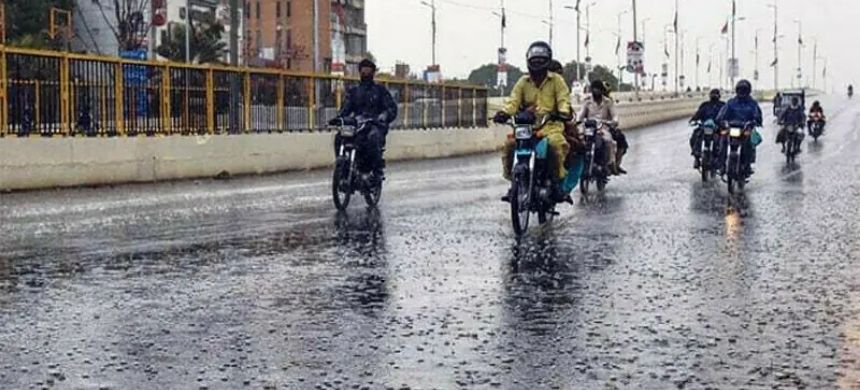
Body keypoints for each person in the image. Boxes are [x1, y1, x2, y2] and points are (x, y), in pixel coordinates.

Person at [495, 41, 572, 202]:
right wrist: (504, 113)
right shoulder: (523, 82)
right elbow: (513, 102)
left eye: (540, 61)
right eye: (534, 61)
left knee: (556, 145)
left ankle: (557, 184)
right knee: (509, 146)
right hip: (526, 127)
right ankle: (513, 185)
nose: (536, 65)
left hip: (550, 126)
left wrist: (563, 112)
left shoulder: (557, 81)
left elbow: (564, 100)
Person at [329, 59, 398, 182]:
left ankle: (376, 171)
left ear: (373, 72)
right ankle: (342, 168)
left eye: (368, 69)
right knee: (339, 137)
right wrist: (339, 118)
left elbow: (391, 108)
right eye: (363, 69)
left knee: (373, 138)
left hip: (375, 124)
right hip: (357, 124)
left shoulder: (380, 90)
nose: (365, 72)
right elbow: (346, 107)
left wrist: (384, 116)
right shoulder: (354, 91)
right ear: (359, 71)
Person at [715, 79, 763, 177]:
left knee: (749, 143)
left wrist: (755, 121)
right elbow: (722, 113)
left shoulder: (752, 103)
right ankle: (721, 165)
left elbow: (757, 114)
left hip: (745, 128)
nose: (742, 92)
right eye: (740, 90)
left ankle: (747, 165)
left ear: (748, 91)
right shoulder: (731, 102)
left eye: (744, 90)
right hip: (731, 127)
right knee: (722, 140)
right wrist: (720, 120)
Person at [578, 80, 624, 174]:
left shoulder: (608, 102)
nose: (596, 91)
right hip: (589, 128)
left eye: (598, 90)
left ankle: (609, 163)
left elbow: (614, 114)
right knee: (580, 141)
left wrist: (614, 121)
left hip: (603, 128)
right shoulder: (587, 102)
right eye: (594, 89)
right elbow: (581, 114)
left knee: (608, 141)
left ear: (602, 91)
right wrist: (579, 120)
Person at [689, 89, 725, 169]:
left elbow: (726, 115)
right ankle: (697, 157)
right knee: (695, 137)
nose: (714, 96)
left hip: (718, 128)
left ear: (719, 96)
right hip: (704, 128)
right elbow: (698, 114)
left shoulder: (722, 105)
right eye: (712, 94)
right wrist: (693, 119)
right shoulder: (705, 105)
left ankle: (720, 159)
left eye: (715, 94)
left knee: (722, 140)